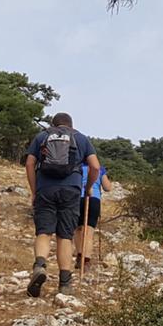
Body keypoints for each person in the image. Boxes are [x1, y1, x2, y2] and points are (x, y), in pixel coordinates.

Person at [25, 112, 99, 297]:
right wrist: (88, 187)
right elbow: (95, 167)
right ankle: (65, 283)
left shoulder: (42, 136)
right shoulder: (81, 138)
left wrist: (34, 191)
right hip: (71, 190)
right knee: (64, 236)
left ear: (53, 124)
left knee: (43, 232)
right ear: (71, 125)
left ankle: (40, 265)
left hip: (45, 189)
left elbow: (29, 164)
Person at [74, 162, 111, 270]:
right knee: (89, 232)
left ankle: (79, 255)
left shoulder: (77, 167)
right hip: (93, 199)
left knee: (78, 229)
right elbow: (107, 187)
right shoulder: (99, 168)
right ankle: (86, 260)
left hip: (76, 198)